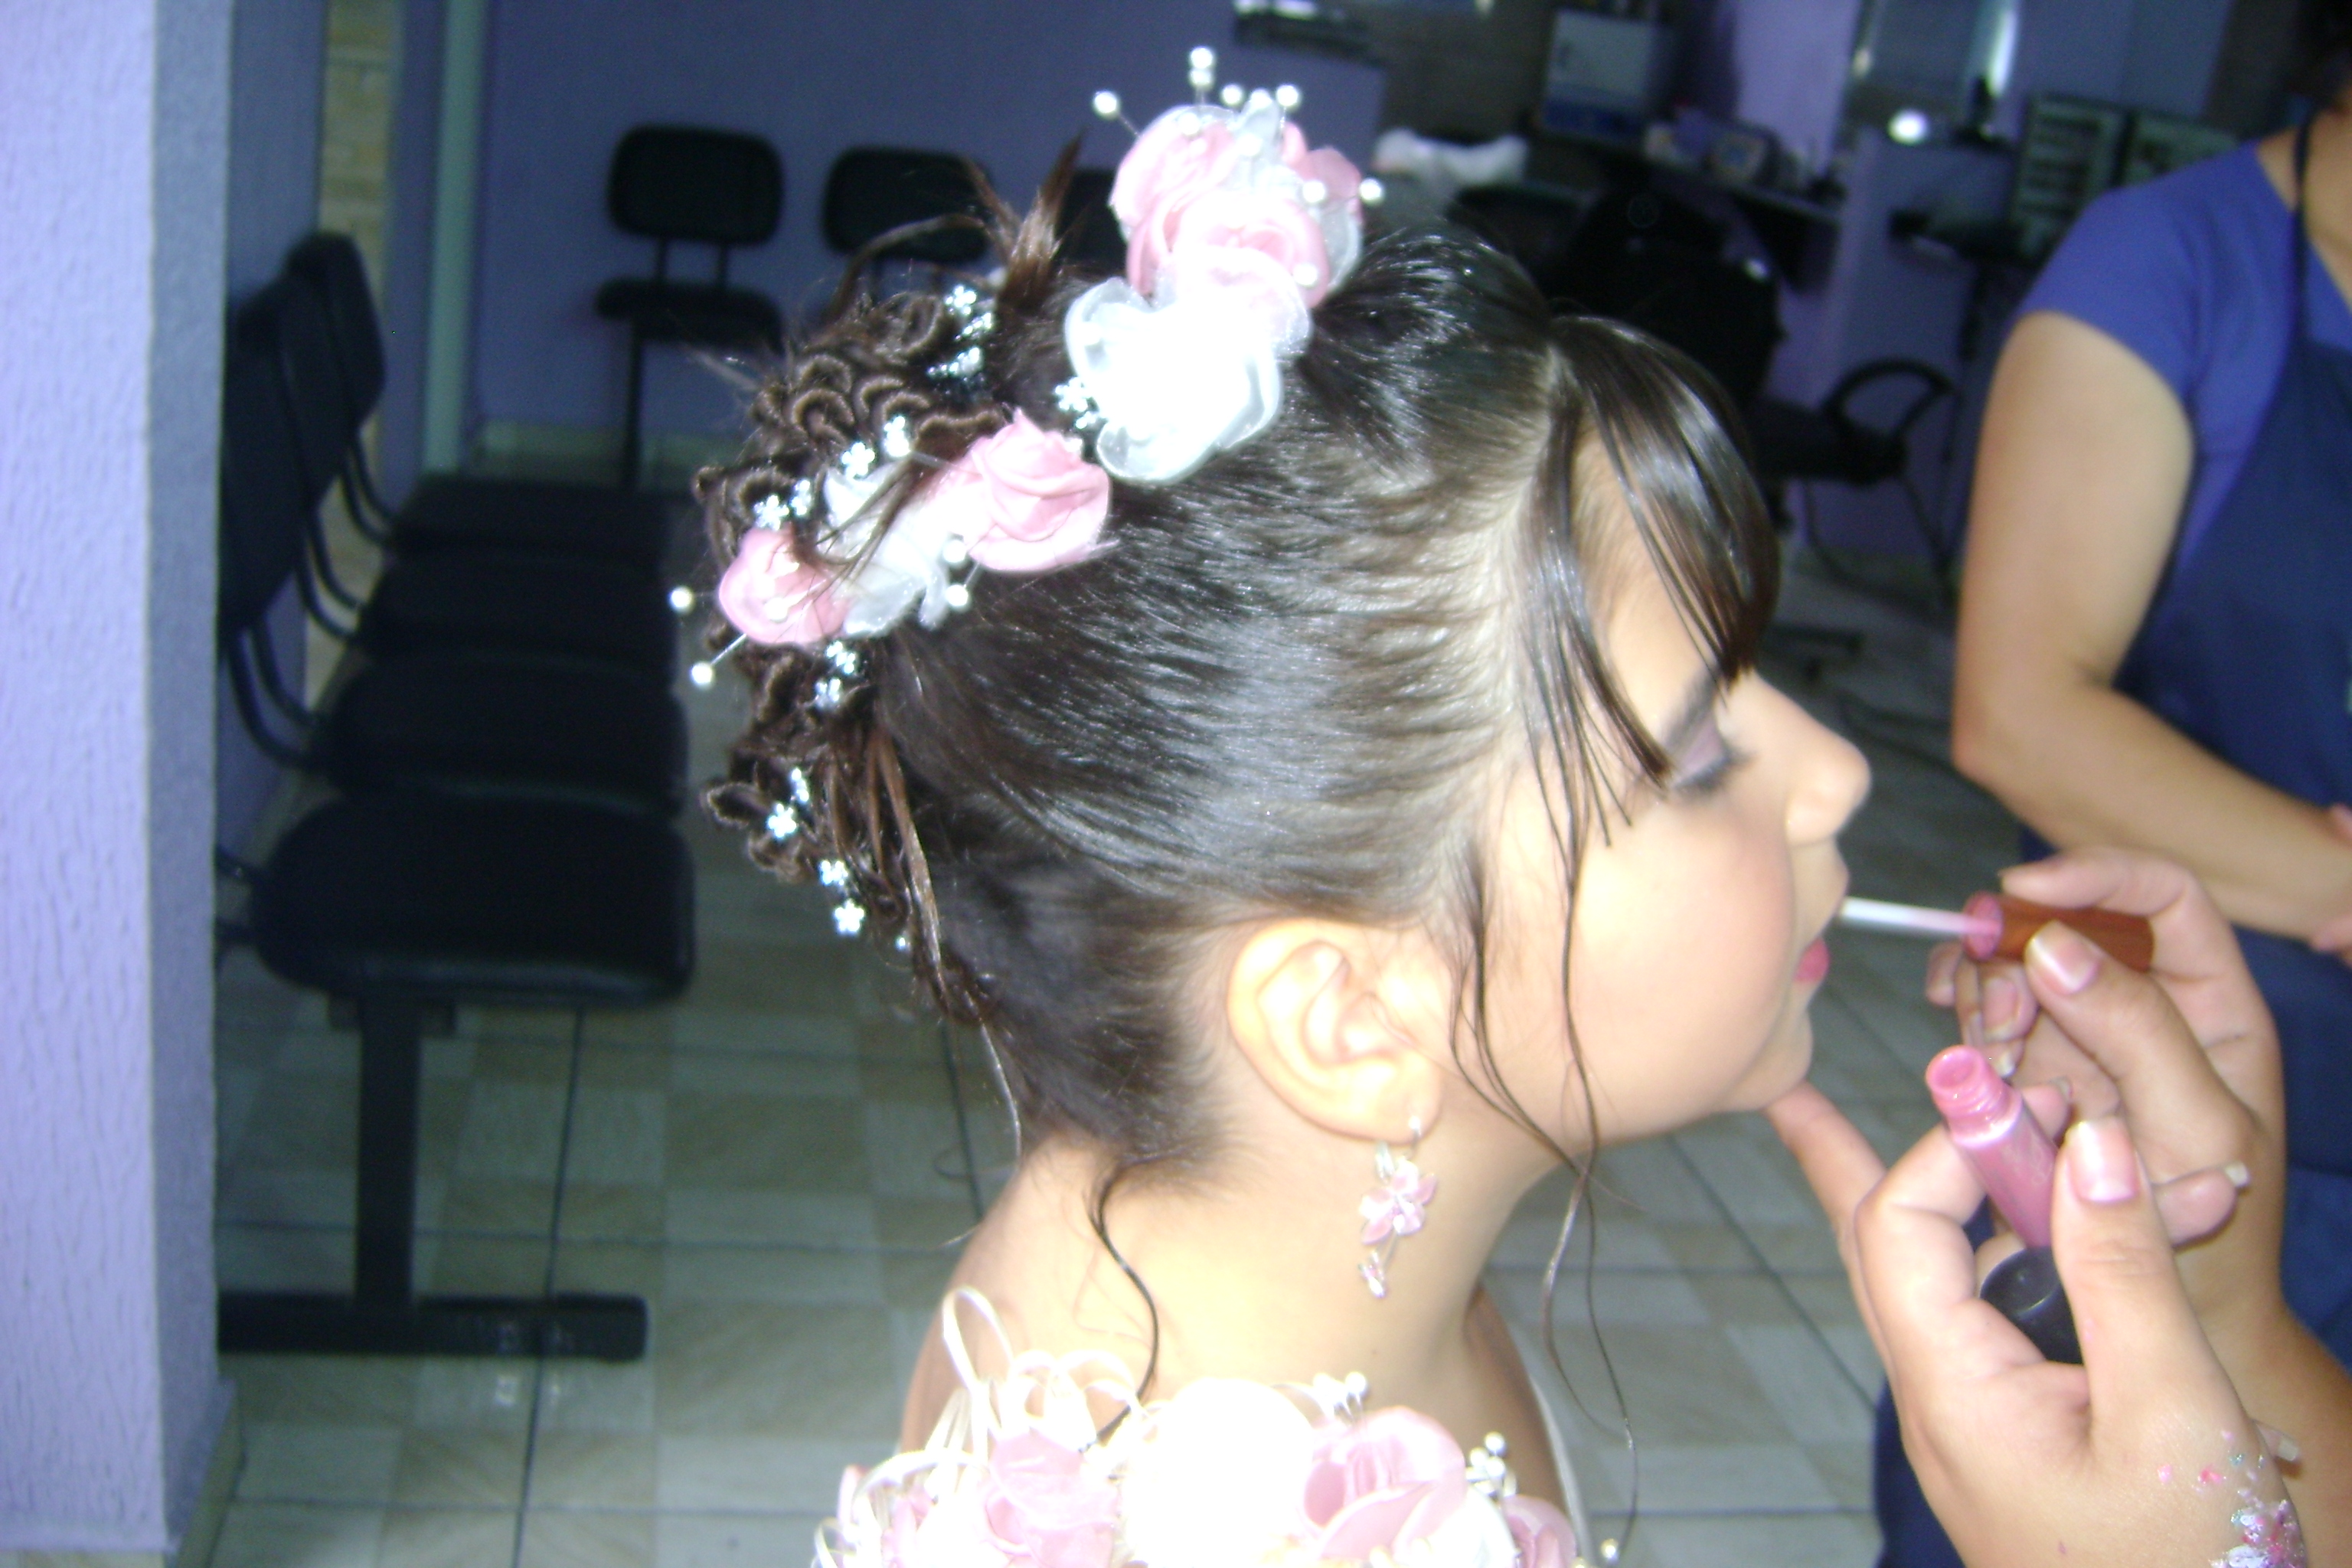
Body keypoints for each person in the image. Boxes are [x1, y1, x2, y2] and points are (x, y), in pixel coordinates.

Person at [692, 70, 2328, 1568]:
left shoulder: (1229, 1245)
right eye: (1703, 753)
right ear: (1355, 1017)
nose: (1839, 772)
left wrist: (2225, 1330)